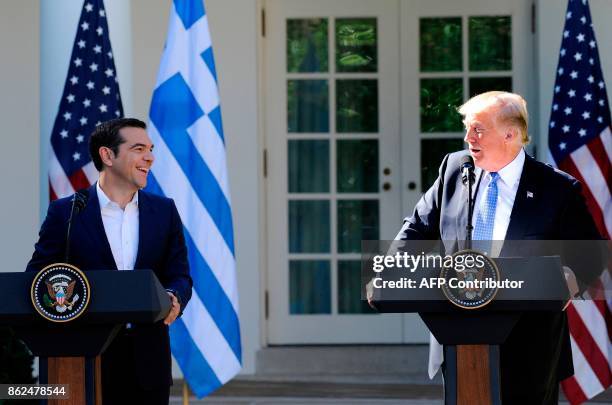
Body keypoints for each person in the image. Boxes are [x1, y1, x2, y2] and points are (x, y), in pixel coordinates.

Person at [383, 92, 602, 404]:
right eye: (467, 128)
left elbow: (590, 256)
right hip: (459, 333)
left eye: (478, 129)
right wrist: (393, 270)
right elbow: (417, 227)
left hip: (531, 343)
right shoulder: (454, 170)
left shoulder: (556, 188)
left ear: (510, 134)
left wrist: (568, 280)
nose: (468, 137)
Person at [26, 118, 192, 405]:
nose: (150, 157)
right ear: (107, 155)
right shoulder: (65, 213)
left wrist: (173, 296)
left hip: (148, 361)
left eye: (150, 149)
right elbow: (38, 277)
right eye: (139, 148)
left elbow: (179, 275)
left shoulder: (164, 212)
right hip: (83, 361)